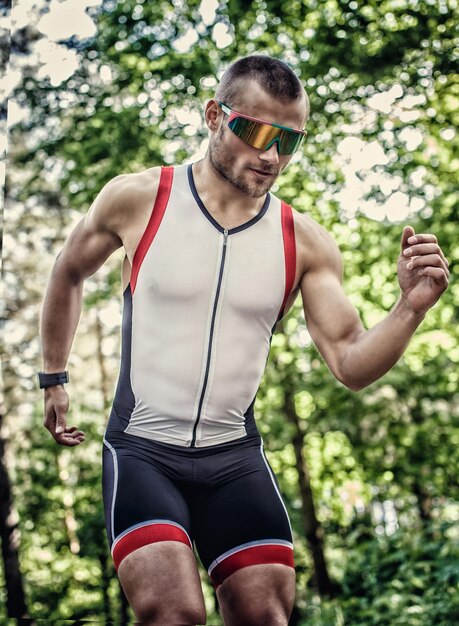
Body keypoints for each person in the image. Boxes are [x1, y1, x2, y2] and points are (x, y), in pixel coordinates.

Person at [40, 55, 449, 625]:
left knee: (266, 617)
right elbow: (68, 272)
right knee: (175, 613)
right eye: (254, 131)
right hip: (142, 452)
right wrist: (54, 378)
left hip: (235, 460)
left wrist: (409, 308)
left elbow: (351, 362)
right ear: (214, 115)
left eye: (289, 140)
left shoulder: (304, 241)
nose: (272, 156)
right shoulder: (140, 197)